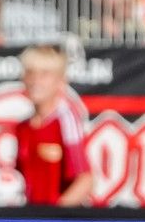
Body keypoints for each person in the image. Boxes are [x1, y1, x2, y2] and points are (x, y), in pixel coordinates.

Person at [9, 44, 92, 206]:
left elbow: (85, 180)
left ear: (60, 80)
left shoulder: (66, 121)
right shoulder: (23, 127)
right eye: (30, 73)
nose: (35, 81)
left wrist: (55, 217)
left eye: (44, 74)